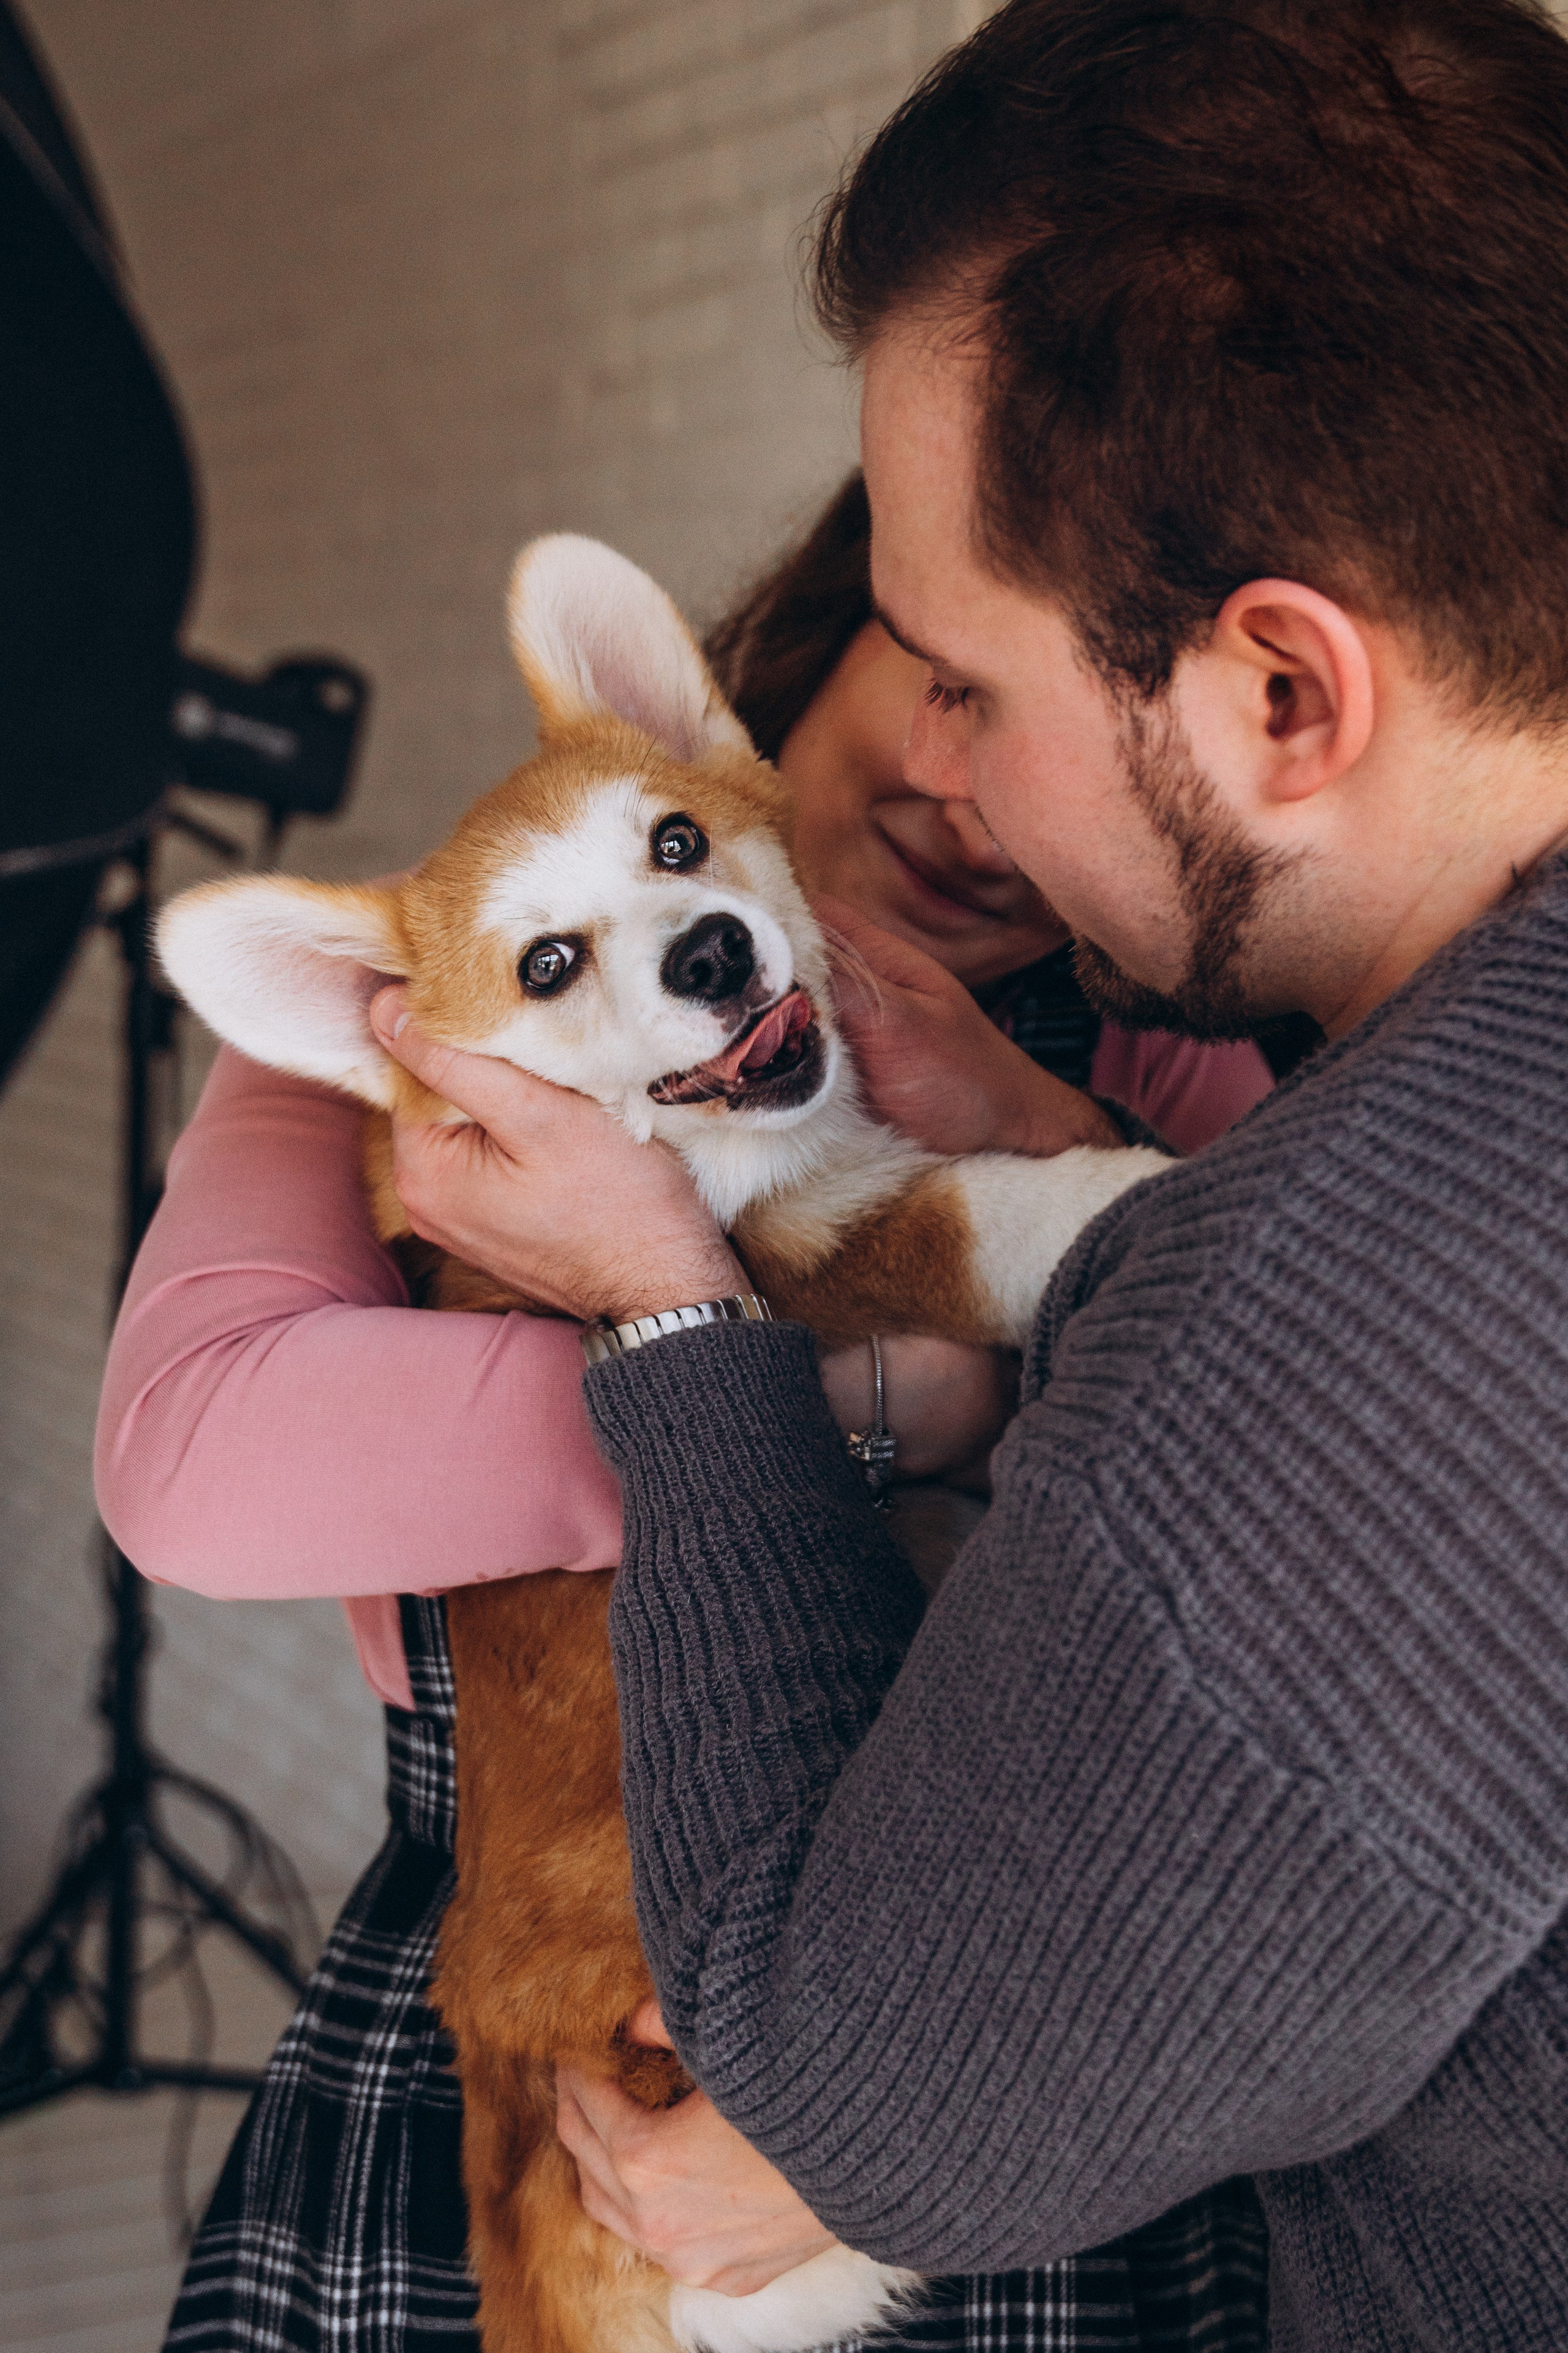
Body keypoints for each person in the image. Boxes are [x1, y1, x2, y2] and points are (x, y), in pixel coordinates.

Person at [353, 4, 1568, 2351]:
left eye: (973, 678)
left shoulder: (1359, 1311)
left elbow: (858, 2099)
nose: (950, 784)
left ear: (1285, 700)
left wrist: (681, 1324)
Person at [97, 472, 1270, 2349]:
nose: (971, 786)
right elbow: (197, 1461)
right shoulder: (426, 1043)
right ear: (815, 637)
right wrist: (886, 1405)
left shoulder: (1160, 1054)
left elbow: (1300, 1523)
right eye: (946, 679)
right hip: (559, 2052)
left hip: (1024, 2045)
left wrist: (1050, 1144)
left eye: (1049, 709)